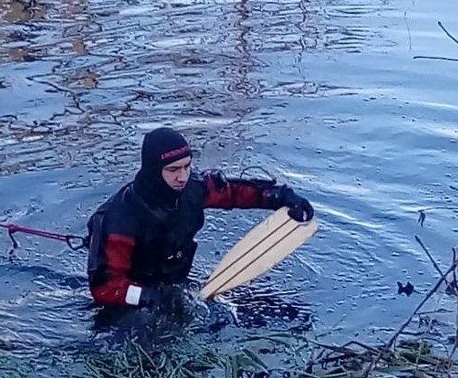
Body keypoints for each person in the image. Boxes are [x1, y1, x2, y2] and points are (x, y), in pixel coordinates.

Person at [85, 127, 314, 310]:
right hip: (129, 303)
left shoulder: (192, 190)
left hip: (177, 284)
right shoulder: (118, 219)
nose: (182, 177)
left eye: (187, 166)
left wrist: (280, 196)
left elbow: (232, 193)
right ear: (153, 170)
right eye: (173, 169)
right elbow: (104, 287)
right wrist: (151, 297)